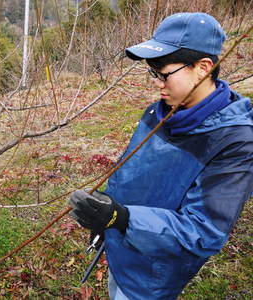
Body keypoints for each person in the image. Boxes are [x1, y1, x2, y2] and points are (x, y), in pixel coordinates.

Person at [68, 12, 253, 300]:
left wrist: (122, 218)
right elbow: (131, 171)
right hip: (120, 247)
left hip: (151, 275)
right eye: (153, 72)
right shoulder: (160, 112)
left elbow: (202, 231)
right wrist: (107, 215)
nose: (157, 84)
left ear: (203, 67)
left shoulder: (235, 143)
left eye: (164, 73)